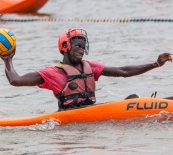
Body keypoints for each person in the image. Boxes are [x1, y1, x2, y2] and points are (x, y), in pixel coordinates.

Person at [0, 28, 172, 111]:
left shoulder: (90, 67)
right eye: (78, 46)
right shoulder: (52, 73)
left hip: (92, 111)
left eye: (84, 47)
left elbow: (123, 71)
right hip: (69, 118)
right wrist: (8, 60)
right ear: (66, 46)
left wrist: (155, 64)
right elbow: (16, 80)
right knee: (132, 101)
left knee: (133, 99)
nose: (82, 50)